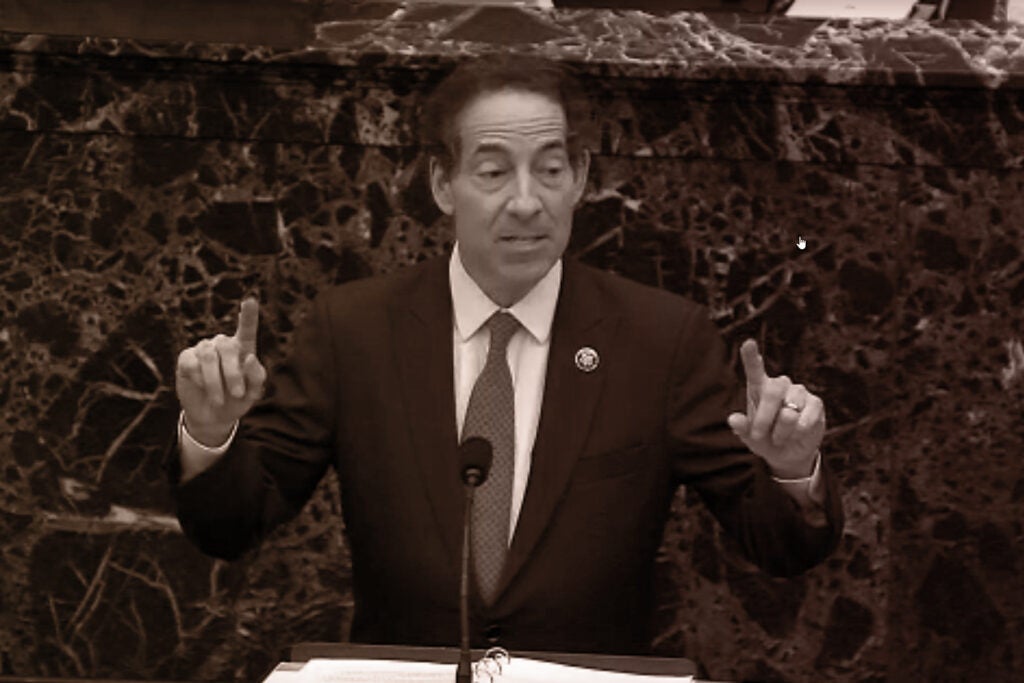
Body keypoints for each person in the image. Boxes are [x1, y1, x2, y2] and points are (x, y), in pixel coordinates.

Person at [168, 55, 843, 656]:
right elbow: (231, 524)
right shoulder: (354, 330)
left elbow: (781, 544)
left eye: (550, 169)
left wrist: (791, 468)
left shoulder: (660, 340)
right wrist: (211, 431)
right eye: (493, 171)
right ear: (442, 183)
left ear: (578, 178)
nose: (527, 200)